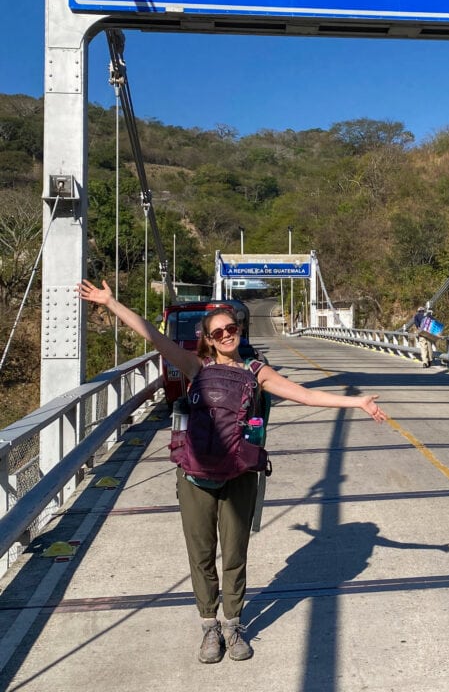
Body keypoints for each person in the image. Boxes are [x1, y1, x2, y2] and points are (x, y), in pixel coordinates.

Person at [76, 278, 386, 665]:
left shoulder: (258, 371)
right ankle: (210, 627)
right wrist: (110, 302)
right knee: (201, 553)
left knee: (235, 553)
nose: (226, 335)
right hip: (194, 473)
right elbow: (154, 335)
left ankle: (234, 624)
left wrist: (356, 402)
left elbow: (305, 394)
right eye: (217, 332)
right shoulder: (196, 366)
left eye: (231, 329)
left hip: (240, 472)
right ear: (207, 339)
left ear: (240, 332)